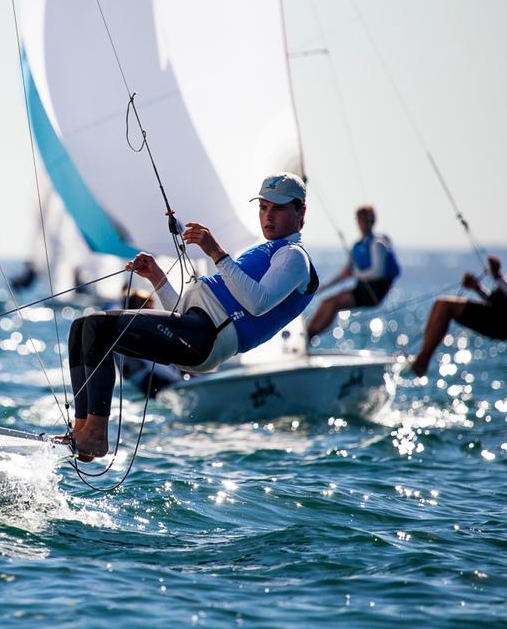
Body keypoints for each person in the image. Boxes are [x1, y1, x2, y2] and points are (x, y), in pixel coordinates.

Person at [66, 173, 319, 458]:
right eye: (263, 208)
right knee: (82, 328)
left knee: (100, 328)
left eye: (279, 208)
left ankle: (96, 436)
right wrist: (157, 278)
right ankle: (83, 431)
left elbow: (258, 303)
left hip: (206, 341)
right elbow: (182, 312)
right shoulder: (263, 252)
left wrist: (215, 252)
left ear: (301, 211)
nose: (268, 216)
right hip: (193, 331)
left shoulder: (294, 256)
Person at [410, 219, 507, 377]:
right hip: (500, 315)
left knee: (447, 307)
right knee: (440, 303)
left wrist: (497, 276)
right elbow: (498, 301)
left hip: (505, 324)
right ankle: (422, 355)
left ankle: (422, 361)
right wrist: (477, 288)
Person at [307, 205, 400, 338]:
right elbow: (344, 274)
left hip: (375, 292)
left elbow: (377, 272)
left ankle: (311, 336)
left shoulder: (378, 244)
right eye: (360, 220)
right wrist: (319, 290)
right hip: (361, 288)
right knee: (326, 302)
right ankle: (307, 336)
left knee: (336, 303)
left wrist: (355, 274)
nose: (363, 223)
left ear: (372, 221)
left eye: (366, 220)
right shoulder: (357, 246)